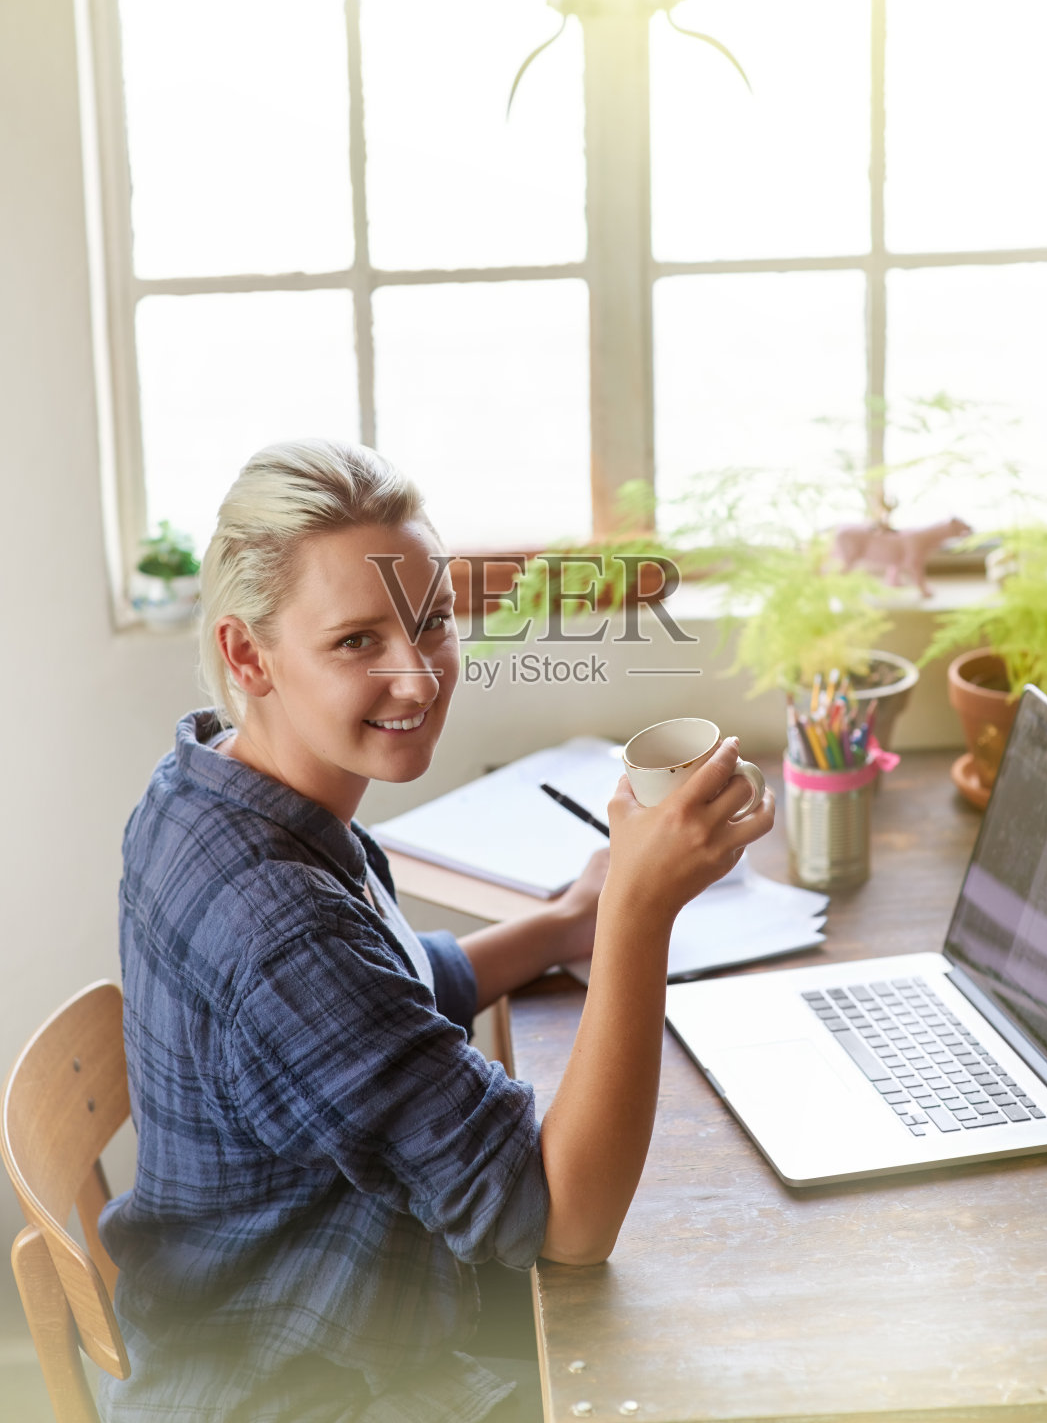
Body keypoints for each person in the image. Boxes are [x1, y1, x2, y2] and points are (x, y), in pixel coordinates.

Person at [98, 439, 775, 1423]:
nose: (418, 679)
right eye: (356, 642)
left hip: (295, 1314)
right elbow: (568, 1224)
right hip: (301, 1388)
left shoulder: (210, 783)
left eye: (432, 623)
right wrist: (639, 911)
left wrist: (566, 923)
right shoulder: (278, 924)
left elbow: (390, 996)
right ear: (249, 653)